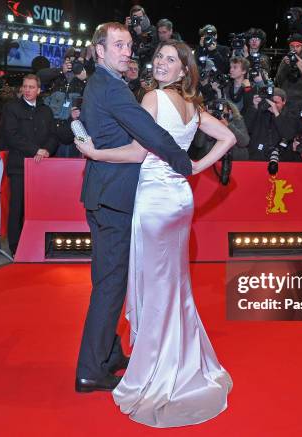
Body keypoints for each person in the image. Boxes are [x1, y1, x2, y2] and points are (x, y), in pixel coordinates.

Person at [76, 38, 234, 427]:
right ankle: (173, 355)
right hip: (181, 200)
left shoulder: (151, 98)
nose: (161, 63)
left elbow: (137, 152)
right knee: (174, 283)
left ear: (183, 70)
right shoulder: (194, 107)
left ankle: (157, 363)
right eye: (159, 56)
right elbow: (230, 138)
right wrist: (195, 168)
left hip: (153, 202)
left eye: (170, 60)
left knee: (152, 283)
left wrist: (95, 154)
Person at [74, 23, 193, 396]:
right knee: (110, 285)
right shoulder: (111, 87)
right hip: (113, 198)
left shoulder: (105, 83)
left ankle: (107, 354)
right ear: (100, 50)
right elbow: (149, 132)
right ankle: (89, 371)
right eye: (119, 45)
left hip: (105, 194)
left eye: (129, 45)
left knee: (110, 281)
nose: (127, 52)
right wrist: (183, 162)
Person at [0, 74, 57, 256]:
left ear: (39, 90)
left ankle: (37, 242)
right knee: (17, 207)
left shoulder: (46, 110)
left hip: (42, 168)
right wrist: (35, 150)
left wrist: (47, 150)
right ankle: (15, 246)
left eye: (31, 87)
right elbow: (11, 135)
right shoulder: (12, 108)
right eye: (25, 86)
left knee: (39, 207)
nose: (27, 90)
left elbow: (53, 135)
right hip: (19, 167)